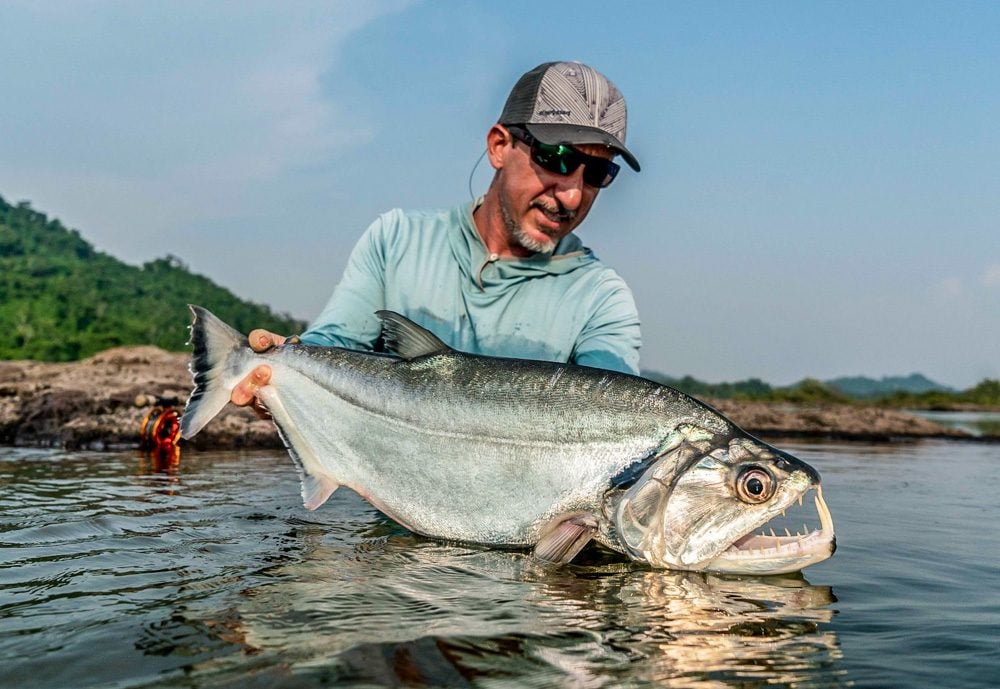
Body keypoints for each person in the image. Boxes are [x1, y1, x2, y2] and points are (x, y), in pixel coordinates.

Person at [232, 61, 643, 408]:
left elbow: (613, 409)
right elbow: (337, 341)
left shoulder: (600, 298)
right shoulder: (396, 241)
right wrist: (282, 374)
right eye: (557, 157)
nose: (571, 195)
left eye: (597, 173)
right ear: (499, 145)